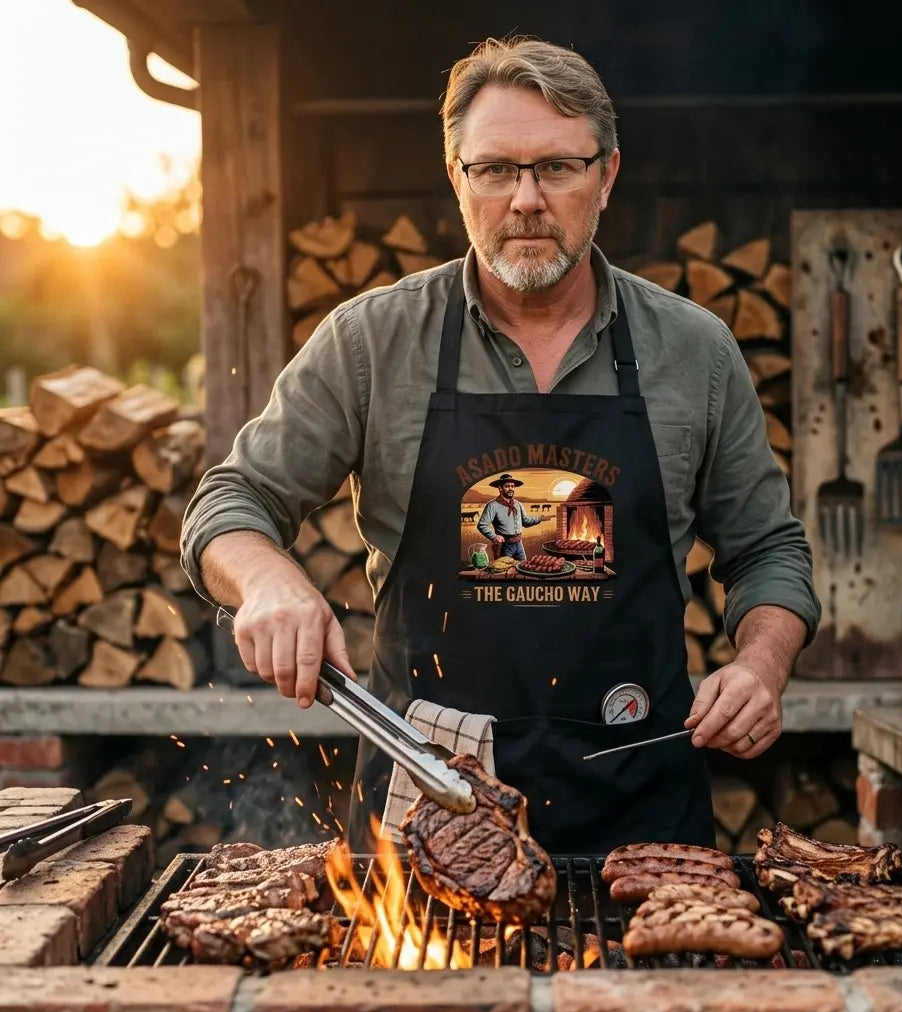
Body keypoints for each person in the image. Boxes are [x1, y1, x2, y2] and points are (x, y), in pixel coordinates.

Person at [181, 35, 821, 854]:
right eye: (495, 170)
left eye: (557, 167)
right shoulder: (374, 342)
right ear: (458, 177)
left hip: (642, 820)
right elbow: (230, 501)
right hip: (428, 809)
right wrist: (268, 581)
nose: (526, 198)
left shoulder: (693, 351)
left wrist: (762, 668)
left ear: (606, 175)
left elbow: (769, 548)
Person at [476, 473, 543, 560]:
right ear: (500, 488)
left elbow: (526, 522)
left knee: (522, 567)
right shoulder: (492, 505)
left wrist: (540, 518)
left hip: (519, 545)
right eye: (507, 486)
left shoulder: (518, 504)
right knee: (504, 571)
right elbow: (482, 525)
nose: (511, 488)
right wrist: (494, 536)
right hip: (504, 546)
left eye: (512, 486)